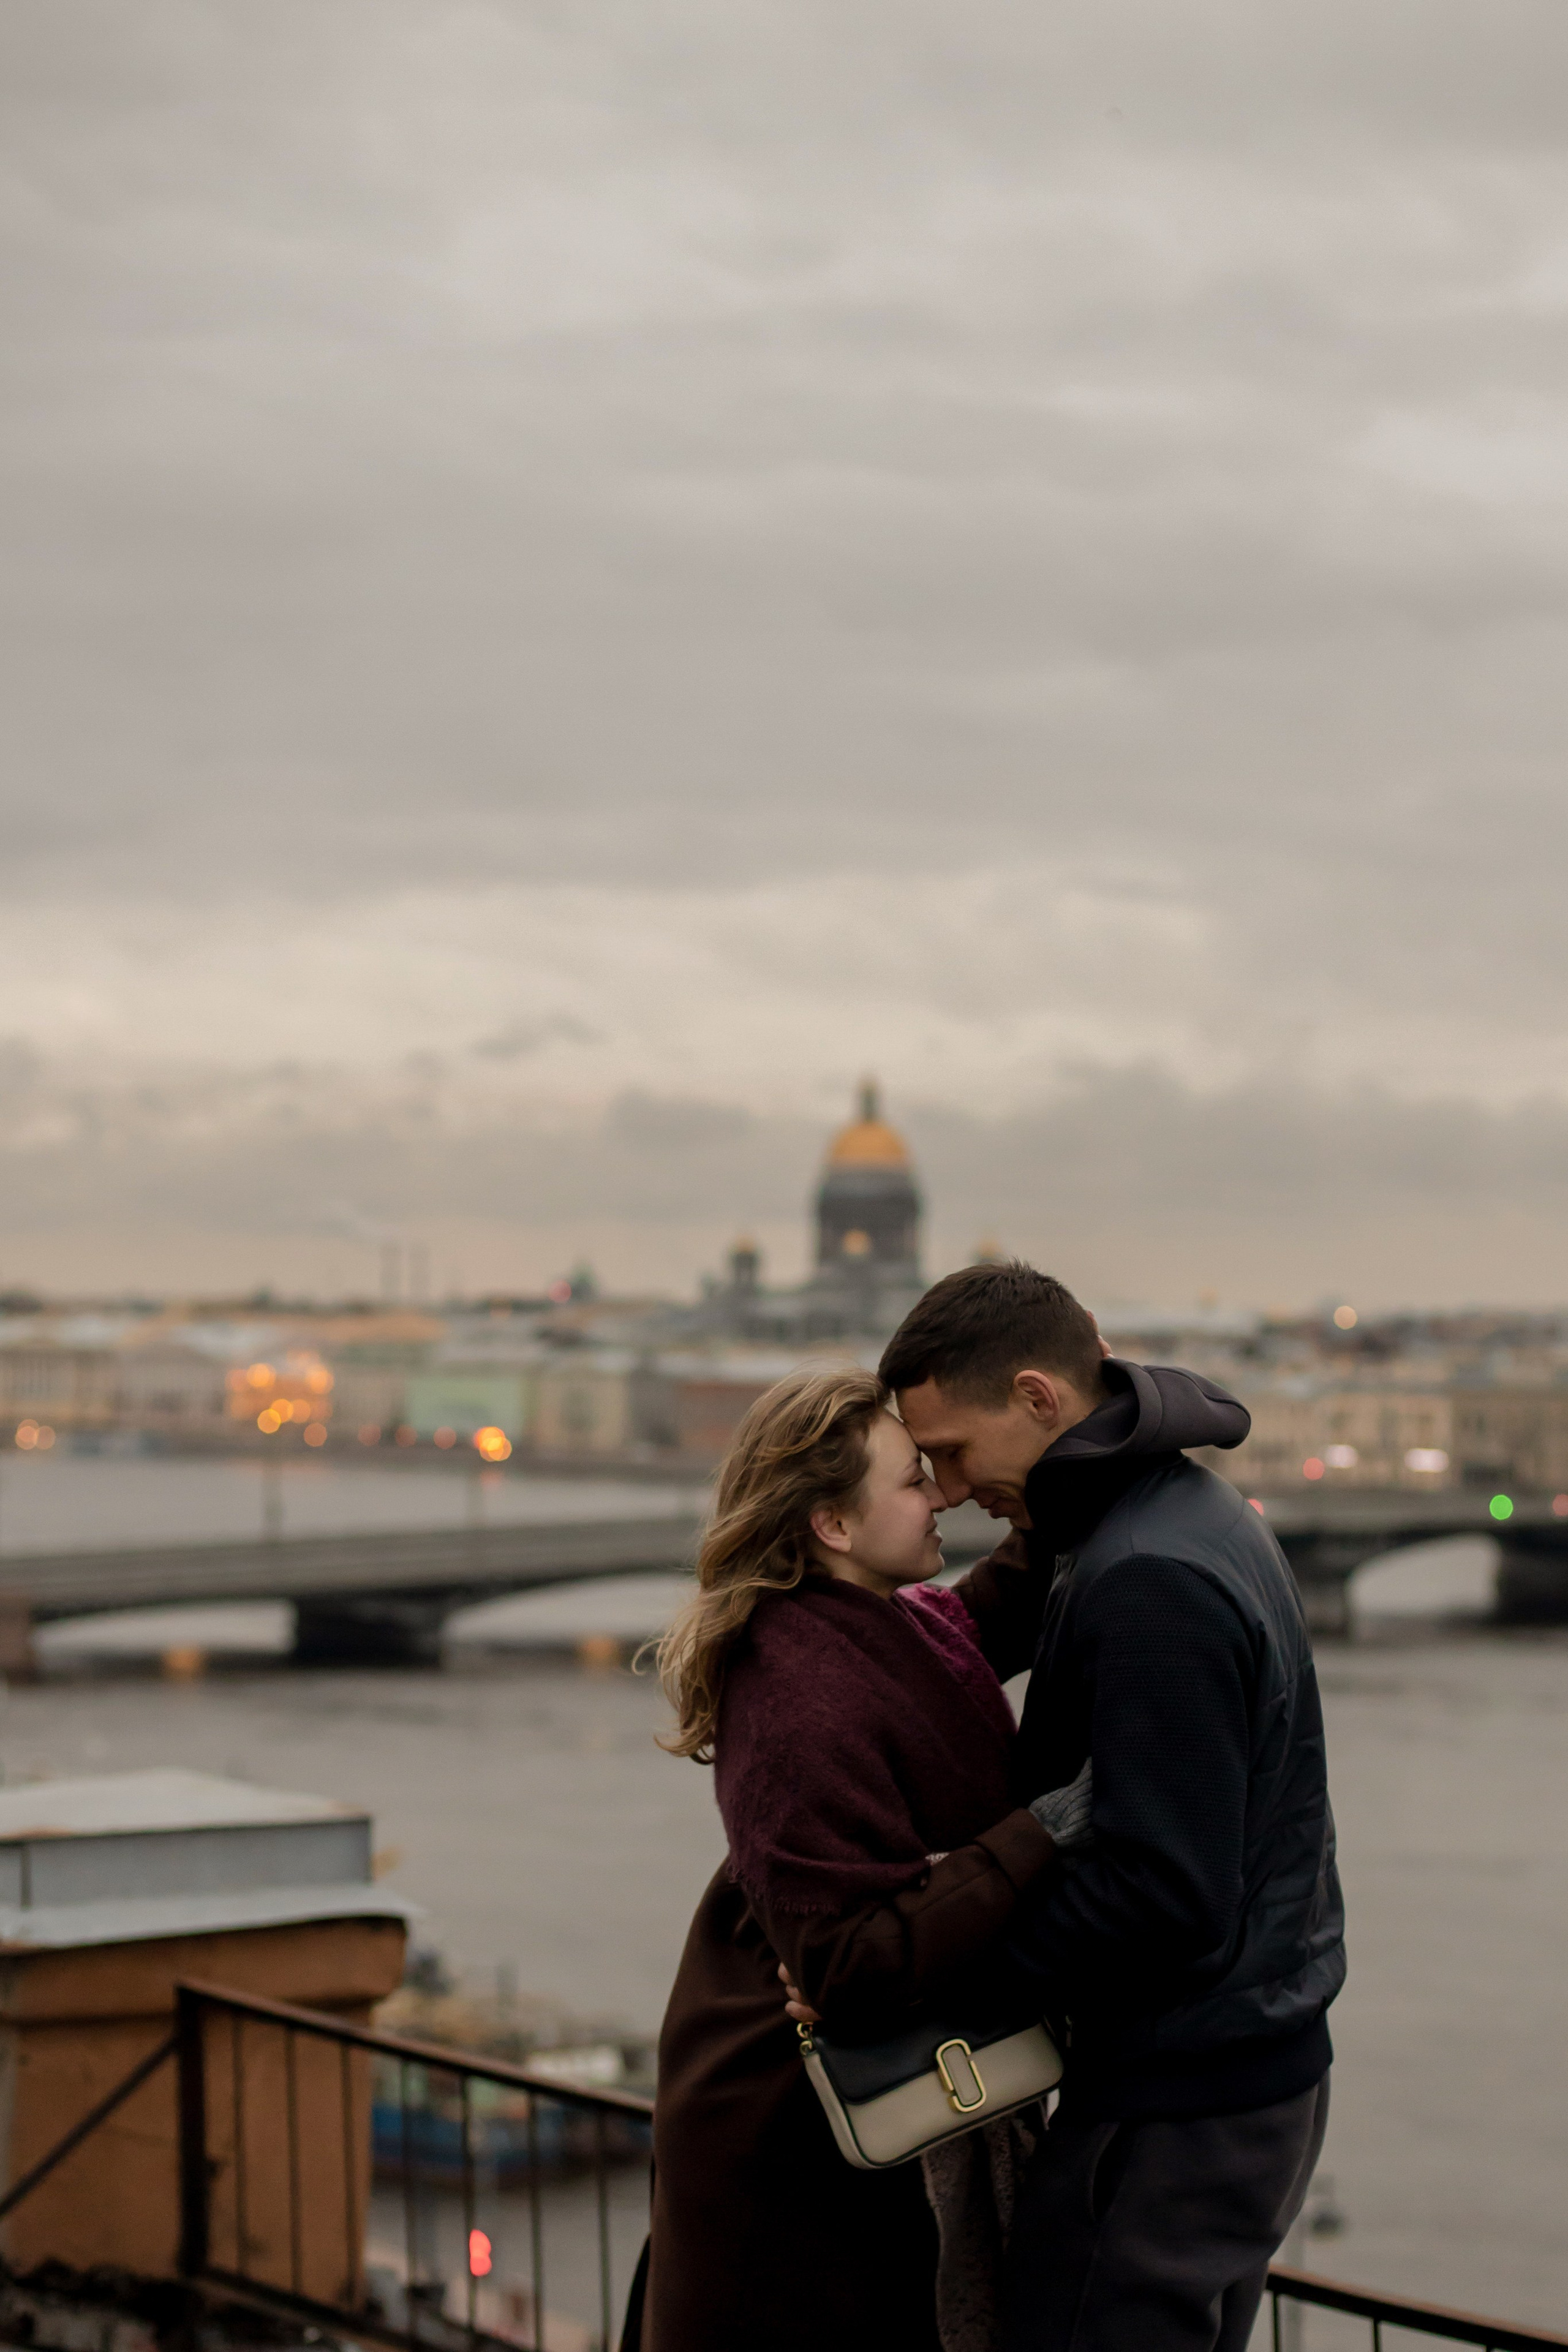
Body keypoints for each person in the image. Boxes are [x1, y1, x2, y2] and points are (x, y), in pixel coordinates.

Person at [871, 1262, 1346, 2352]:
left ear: (1039, 1400)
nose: (944, 1489)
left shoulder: (1144, 1577)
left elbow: (1164, 1893)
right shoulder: (1172, 1509)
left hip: (1178, 2097)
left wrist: (918, 1966)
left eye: (950, 1452)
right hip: (1239, 2065)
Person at [631, 1365, 1093, 2352]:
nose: (944, 1495)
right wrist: (1048, 1827)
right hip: (795, 2140)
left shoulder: (886, 1627)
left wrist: (1092, 1446)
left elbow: (989, 1612)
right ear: (833, 1528)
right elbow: (844, 1963)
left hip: (849, 2112)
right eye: (913, 1480)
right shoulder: (799, 1691)